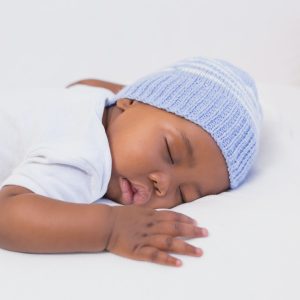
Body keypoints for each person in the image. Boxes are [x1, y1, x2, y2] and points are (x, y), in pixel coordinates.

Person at [0, 57, 262, 267]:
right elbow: (7, 216)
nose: (164, 184)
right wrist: (111, 228)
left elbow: (83, 82)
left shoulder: (95, 97)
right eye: (170, 151)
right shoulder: (85, 155)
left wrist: (142, 101)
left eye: (184, 194)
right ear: (129, 102)